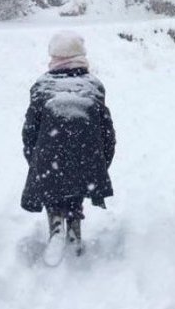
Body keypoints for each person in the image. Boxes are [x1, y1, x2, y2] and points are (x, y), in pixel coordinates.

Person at [21, 31, 116, 262]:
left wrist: (34, 160)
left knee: (53, 183)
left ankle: (55, 224)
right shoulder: (94, 86)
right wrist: (102, 161)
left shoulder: (42, 86)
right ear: (81, 55)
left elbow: (29, 131)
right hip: (87, 154)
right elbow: (107, 132)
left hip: (48, 154)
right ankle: (74, 226)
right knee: (77, 179)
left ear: (53, 56)